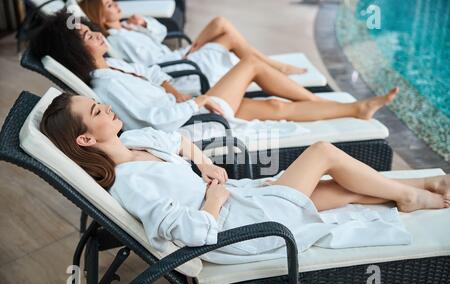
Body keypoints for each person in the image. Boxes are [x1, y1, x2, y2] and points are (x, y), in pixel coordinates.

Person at [39, 92, 450, 263]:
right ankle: (414, 195)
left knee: (336, 191)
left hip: (240, 198)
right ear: (86, 138)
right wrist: (214, 199)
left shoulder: (137, 140)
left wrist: (204, 165)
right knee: (322, 152)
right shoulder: (130, 183)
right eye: (96, 113)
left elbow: (179, 141)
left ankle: (416, 190)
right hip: (241, 227)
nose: (106, 109)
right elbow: (195, 230)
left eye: (98, 104)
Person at [30, 12, 399, 132]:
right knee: (251, 63)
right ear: (76, 51)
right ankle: (318, 100)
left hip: (190, 107)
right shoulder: (107, 83)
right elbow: (157, 120)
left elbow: (153, 76)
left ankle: (355, 110)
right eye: (85, 35)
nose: (94, 31)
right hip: (192, 124)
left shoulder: (114, 66)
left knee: (272, 107)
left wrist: (180, 95)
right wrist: (194, 103)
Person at [79, 0, 309, 94]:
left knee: (225, 30)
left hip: (181, 57)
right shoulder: (118, 40)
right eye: (109, 4)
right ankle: (275, 65)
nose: (117, 4)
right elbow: (149, 64)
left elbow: (161, 34)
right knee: (224, 28)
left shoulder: (130, 27)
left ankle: (274, 65)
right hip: (180, 69)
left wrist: (145, 24)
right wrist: (187, 55)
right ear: (100, 14)